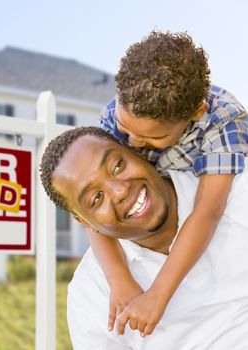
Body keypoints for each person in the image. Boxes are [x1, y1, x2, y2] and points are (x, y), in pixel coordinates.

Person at [93, 31, 248, 336]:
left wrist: (157, 295)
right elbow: (85, 206)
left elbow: (207, 211)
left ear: (196, 113)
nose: (133, 144)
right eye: (126, 130)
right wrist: (119, 278)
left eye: (153, 138)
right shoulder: (116, 113)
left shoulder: (224, 120)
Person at [39, 126, 248, 349]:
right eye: (96, 198)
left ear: (138, 152)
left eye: (117, 166)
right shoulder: (91, 293)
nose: (119, 191)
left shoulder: (235, 189)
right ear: (86, 223)